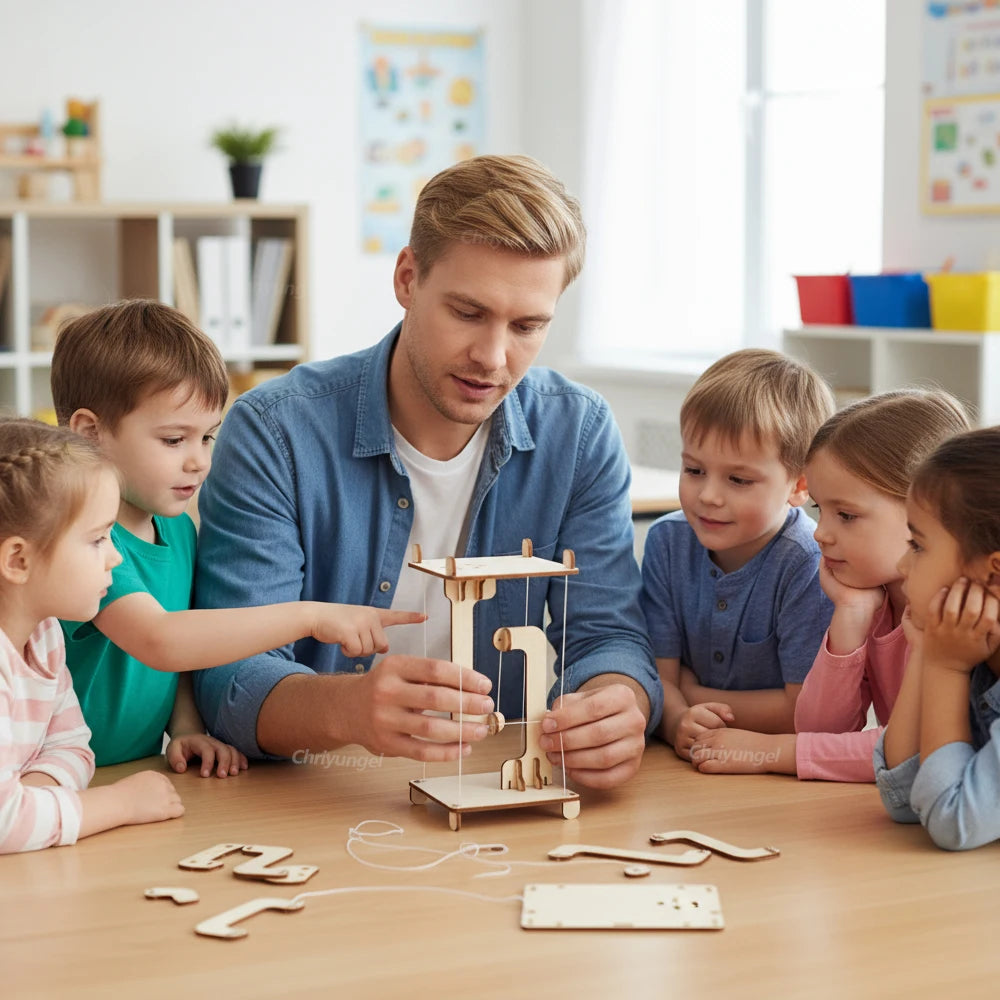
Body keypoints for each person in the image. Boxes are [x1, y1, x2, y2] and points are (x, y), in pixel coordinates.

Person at [193, 154, 662, 789]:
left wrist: (617, 702)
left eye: (527, 326)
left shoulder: (578, 432)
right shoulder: (274, 432)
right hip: (318, 795)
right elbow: (229, 678)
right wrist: (348, 709)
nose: (492, 357)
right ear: (408, 279)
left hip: (498, 788)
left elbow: (608, 635)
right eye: (467, 313)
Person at [51, 300, 422, 776]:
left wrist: (186, 727)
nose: (199, 461)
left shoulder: (178, 528)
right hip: (55, 778)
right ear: (89, 433)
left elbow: (190, 645)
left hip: (133, 771)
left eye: (207, 437)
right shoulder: (87, 543)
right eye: (173, 440)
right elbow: (161, 640)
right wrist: (310, 616)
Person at [689, 390, 969, 779]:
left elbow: (919, 750)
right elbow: (821, 730)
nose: (820, 533)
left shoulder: (960, 614)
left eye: (847, 515)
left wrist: (772, 752)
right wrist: (851, 615)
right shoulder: (872, 598)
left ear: (926, 511)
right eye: (820, 509)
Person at [640, 348, 836, 760]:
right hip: (685, 760)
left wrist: (692, 695)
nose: (709, 496)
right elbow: (659, 676)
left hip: (774, 769)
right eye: (694, 470)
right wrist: (676, 720)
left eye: (738, 480)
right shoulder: (667, 543)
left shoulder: (807, 562)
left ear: (800, 486)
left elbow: (804, 712)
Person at [0, 418, 183, 853]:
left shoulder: (44, 636)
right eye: (98, 539)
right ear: (18, 561)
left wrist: (33, 800)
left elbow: (73, 746)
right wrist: (119, 804)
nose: (116, 557)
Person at [875, 427, 1000, 850]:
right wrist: (929, 652)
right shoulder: (975, 653)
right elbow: (904, 799)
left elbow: (951, 820)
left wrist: (945, 667)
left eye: (917, 545)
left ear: (994, 573)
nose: (901, 564)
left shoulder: (960, 661)